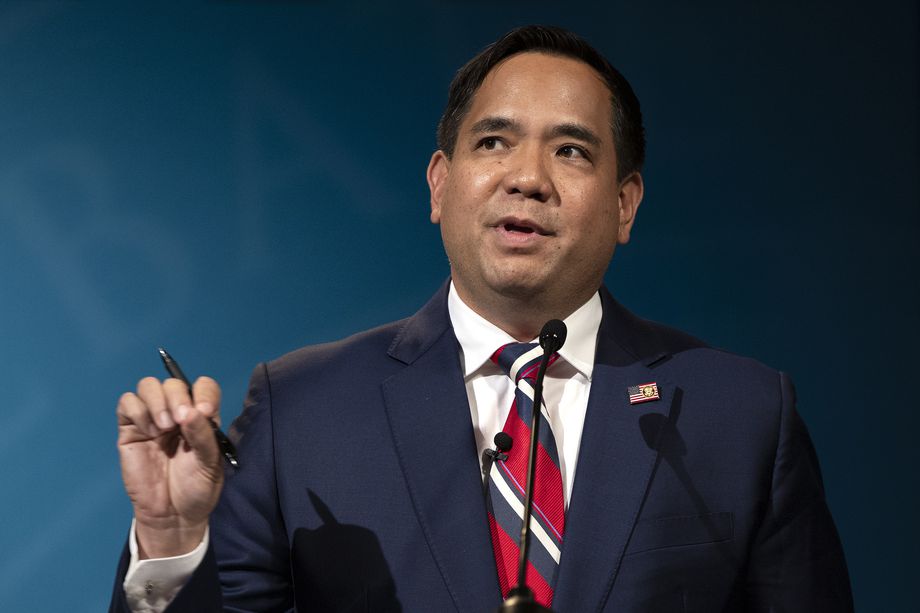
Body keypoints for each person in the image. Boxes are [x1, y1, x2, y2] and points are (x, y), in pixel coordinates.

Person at [110, 25, 853, 612]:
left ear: (625, 205)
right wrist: (174, 540)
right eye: (493, 142)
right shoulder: (302, 410)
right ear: (440, 185)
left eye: (570, 150)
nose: (526, 178)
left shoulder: (743, 416)